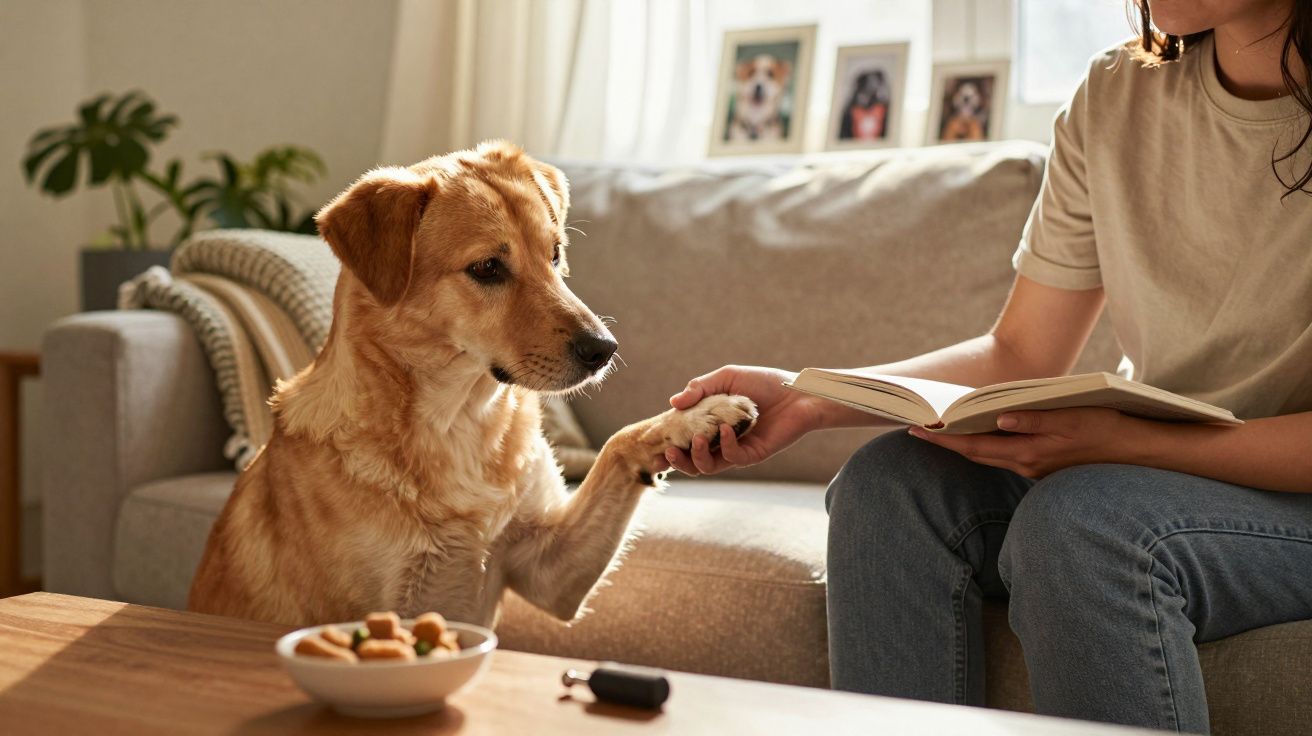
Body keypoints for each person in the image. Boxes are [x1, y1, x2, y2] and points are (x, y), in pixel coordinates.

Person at [661, 2, 1312, 733]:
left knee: (1083, 527)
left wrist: (1131, 443)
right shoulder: (1117, 94)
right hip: (1153, 480)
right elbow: (1021, 353)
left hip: (1288, 496)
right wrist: (808, 397)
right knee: (889, 486)